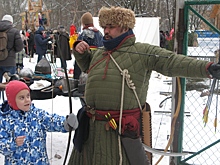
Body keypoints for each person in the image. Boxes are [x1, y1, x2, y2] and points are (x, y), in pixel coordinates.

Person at [68, 6, 220, 165]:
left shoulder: (142, 51)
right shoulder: (99, 53)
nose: (106, 31)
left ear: (124, 27)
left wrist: (207, 68)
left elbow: (172, 61)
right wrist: (80, 50)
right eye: (104, 26)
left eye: (111, 27)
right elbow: (86, 64)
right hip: (90, 131)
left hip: (118, 132)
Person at [0, 80, 78, 165]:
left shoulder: (36, 114)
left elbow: (51, 120)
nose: (27, 100)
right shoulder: (4, 120)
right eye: (21, 98)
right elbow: (1, 145)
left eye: (28, 96)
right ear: (12, 100)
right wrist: (13, 143)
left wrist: (65, 123)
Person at [73, 12, 103, 80]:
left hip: (87, 69)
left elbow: (79, 55)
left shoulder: (84, 34)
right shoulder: (100, 34)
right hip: (99, 67)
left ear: (83, 23)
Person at [0, 14, 23, 84]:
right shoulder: (14, 31)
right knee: (12, 84)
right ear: (11, 22)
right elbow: (19, 47)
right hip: (10, 61)